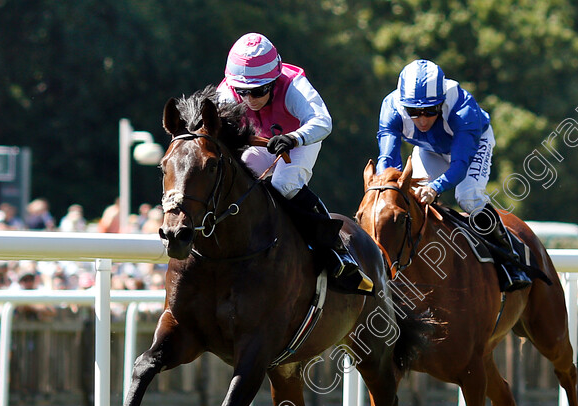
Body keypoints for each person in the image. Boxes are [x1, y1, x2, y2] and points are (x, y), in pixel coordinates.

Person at [216, 32, 372, 294]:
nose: (250, 100)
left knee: (285, 184)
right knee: (239, 179)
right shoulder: (226, 93)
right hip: (263, 142)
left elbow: (323, 122)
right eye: (243, 92)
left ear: (274, 82)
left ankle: (336, 251)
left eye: (258, 92)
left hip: (301, 139)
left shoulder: (294, 85)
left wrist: (294, 138)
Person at [376, 59, 530, 291]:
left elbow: (459, 164)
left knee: (467, 196)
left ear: (442, 103)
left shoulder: (462, 108)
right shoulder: (391, 108)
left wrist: (435, 188)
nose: (422, 119)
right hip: (430, 150)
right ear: (402, 104)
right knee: (408, 200)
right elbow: (387, 161)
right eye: (413, 112)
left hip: (471, 148)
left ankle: (511, 258)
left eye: (430, 110)